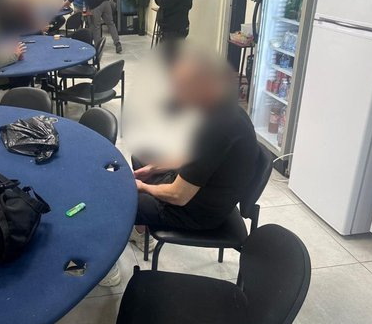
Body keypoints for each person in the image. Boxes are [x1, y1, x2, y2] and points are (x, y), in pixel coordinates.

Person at [100, 51, 259, 286]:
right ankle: (141, 232)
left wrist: (142, 187)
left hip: (197, 212)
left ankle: (105, 267)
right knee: (141, 158)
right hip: (205, 190)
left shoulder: (216, 129)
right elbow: (191, 156)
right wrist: (153, 169)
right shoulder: (222, 108)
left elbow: (179, 195)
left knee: (118, 199)